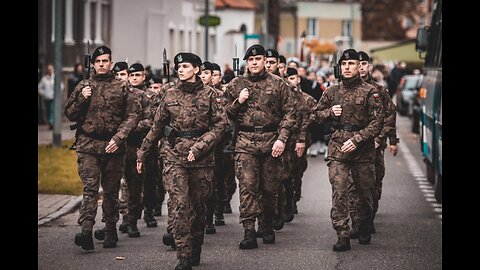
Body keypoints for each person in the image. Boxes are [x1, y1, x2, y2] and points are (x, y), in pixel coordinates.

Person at [136, 52, 227, 269]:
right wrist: (142, 152)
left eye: (185, 66)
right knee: (179, 206)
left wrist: (200, 146)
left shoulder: (211, 95)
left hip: (201, 160)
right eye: (179, 67)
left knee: (198, 207)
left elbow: (221, 126)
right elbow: (157, 127)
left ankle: (195, 247)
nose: (181, 69)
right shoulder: (169, 94)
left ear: (196, 69)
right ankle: (183, 255)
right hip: (174, 157)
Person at [65, 45, 141, 250]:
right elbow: (70, 113)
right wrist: (82, 98)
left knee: (110, 190)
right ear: (93, 64)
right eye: (98, 61)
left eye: (105, 61)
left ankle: (110, 230)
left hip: (113, 146)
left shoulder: (122, 86)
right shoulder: (84, 85)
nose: (101, 64)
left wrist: (119, 137)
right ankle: (86, 232)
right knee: (90, 189)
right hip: (88, 144)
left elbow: (133, 116)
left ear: (111, 63)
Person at [310, 48, 384, 252]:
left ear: (359, 67)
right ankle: (342, 233)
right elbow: (313, 117)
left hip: (362, 149)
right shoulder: (331, 92)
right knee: (339, 190)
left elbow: (377, 122)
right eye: (344, 64)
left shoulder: (371, 91)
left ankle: (364, 224)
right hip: (338, 148)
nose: (348, 68)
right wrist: (329, 112)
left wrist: (359, 139)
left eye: (351, 64)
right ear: (339, 67)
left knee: (364, 192)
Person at [224, 44, 296, 249]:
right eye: (251, 60)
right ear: (247, 62)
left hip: (271, 139)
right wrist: (238, 101)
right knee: (247, 187)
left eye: (258, 59)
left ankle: (266, 225)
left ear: (265, 61)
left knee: (269, 187)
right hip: (245, 140)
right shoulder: (236, 84)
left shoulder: (279, 84)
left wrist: (282, 139)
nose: (254, 63)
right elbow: (224, 113)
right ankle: (249, 231)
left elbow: (290, 113)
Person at [348, 51, 399, 238]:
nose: (360, 67)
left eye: (363, 64)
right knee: (352, 185)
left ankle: (368, 218)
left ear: (368, 66)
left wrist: (387, 139)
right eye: (357, 64)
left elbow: (389, 116)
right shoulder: (345, 88)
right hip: (353, 145)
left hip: (374, 145)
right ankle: (356, 223)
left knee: (372, 184)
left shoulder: (378, 90)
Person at [38, 63, 63, 129]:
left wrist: (57, 93)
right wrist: (44, 93)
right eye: (48, 69)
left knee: (52, 110)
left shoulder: (55, 78)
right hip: (47, 98)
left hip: (54, 97)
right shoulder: (44, 79)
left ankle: (51, 122)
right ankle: (50, 122)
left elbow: (61, 86)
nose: (50, 70)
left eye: (51, 69)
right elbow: (39, 88)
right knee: (48, 111)